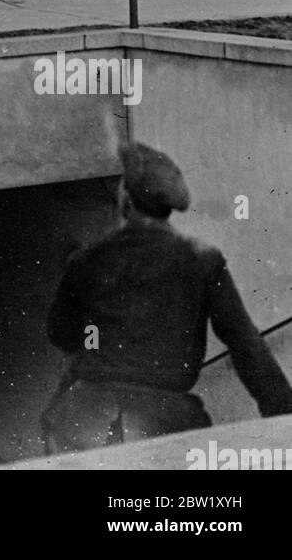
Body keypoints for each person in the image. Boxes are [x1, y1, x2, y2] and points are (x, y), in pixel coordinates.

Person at [42, 142, 292, 454]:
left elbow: (61, 333)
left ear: (127, 200)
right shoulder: (201, 259)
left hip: (86, 419)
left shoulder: (86, 261)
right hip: (167, 422)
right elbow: (245, 344)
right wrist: (283, 416)